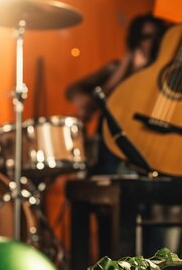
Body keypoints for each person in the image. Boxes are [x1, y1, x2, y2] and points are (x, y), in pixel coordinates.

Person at [65, 13, 167, 175]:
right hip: (110, 146)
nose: (153, 42)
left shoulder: (163, 74)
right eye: (147, 37)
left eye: (158, 36)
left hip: (146, 145)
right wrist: (85, 101)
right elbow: (73, 90)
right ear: (136, 40)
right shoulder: (117, 68)